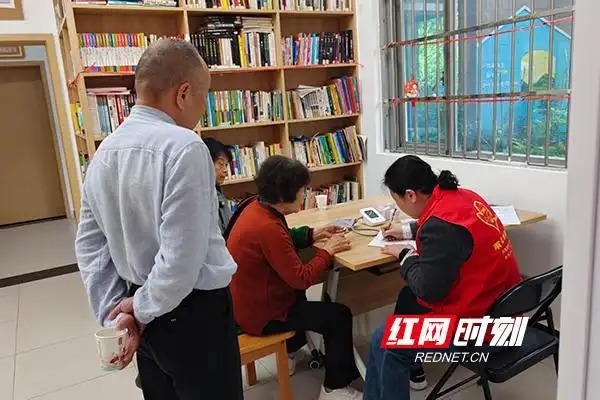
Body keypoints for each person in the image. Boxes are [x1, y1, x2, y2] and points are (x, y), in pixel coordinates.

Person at [75, 39, 243, 400]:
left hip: (141, 305)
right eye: (203, 96)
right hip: (193, 312)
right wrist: (139, 310)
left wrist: (118, 313)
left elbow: (90, 247)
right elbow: (181, 259)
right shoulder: (185, 147)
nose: (202, 109)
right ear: (183, 93)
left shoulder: (103, 153)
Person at [363, 155, 522, 400]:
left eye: (397, 201)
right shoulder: (465, 196)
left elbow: (428, 291)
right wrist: (406, 229)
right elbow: (448, 224)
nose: (399, 207)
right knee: (407, 299)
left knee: (383, 340)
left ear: (410, 195)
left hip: (484, 331)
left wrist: (405, 255)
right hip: (507, 312)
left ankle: (402, 366)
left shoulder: (439, 227)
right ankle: (414, 368)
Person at [226, 155, 362, 400]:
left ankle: (291, 350)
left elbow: (283, 238)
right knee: (338, 316)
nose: (304, 194)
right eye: (302, 190)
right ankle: (335, 388)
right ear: (284, 196)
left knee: (299, 295)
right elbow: (301, 278)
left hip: (246, 302)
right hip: (262, 315)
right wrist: (327, 251)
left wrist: (313, 234)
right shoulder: (267, 227)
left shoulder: (255, 205)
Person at [203, 137, 233, 233]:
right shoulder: (201, 197)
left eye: (226, 165)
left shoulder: (218, 193)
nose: (225, 170)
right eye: (221, 163)